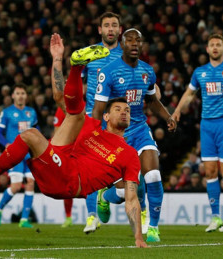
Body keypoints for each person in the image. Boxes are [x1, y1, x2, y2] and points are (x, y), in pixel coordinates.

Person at [0, 45, 148, 248]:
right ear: (107, 116)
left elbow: (131, 198)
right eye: (118, 108)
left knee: (31, 134)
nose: (124, 112)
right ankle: (76, 67)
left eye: (127, 109)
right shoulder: (93, 127)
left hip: (71, 181)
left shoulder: (128, 154)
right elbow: (59, 97)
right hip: (63, 163)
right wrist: (57, 59)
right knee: (76, 115)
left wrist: (137, 237)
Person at [92, 28, 177, 242]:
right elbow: (98, 109)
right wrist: (94, 135)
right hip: (116, 137)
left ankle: (154, 228)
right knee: (123, 193)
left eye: (138, 41)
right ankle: (104, 196)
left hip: (140, 130)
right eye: (129, 40)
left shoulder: (147, 71)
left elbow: (152, 101)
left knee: (153, 175)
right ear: (121, 44)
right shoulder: (108, 72)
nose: (134, 44)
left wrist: (168, 117)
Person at [172, 33, 223, 233]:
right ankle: (215, 216)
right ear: (208, 49)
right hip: (207, 126)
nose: (216, 48)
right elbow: (190, 93)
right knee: (209, 172)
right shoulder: (200, 72)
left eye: (219, 45)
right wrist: (176, 111)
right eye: (212, 45)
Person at [80, 12, 126, 234]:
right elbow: (78, 85)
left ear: (120, 30)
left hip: (120, 122)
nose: (110, 29)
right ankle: (91, 216)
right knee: (90, 169)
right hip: (93, 119)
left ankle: (105, 198)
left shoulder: (126, 55)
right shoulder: (89, 54)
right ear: (99, 29)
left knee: (121, 178)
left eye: (114, 25)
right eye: (106, 25)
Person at [0, 83, 38, 228]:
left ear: (26, 96)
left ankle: (24, 219)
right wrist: (6, 144)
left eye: (23, 93)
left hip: (29, 153)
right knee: (17, 186)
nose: (20, 96)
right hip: (14, 154)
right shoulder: (6, 112)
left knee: (31, 183)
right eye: (18, 93)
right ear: (13, 96)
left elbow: (36, 131)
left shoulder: (31, 112)